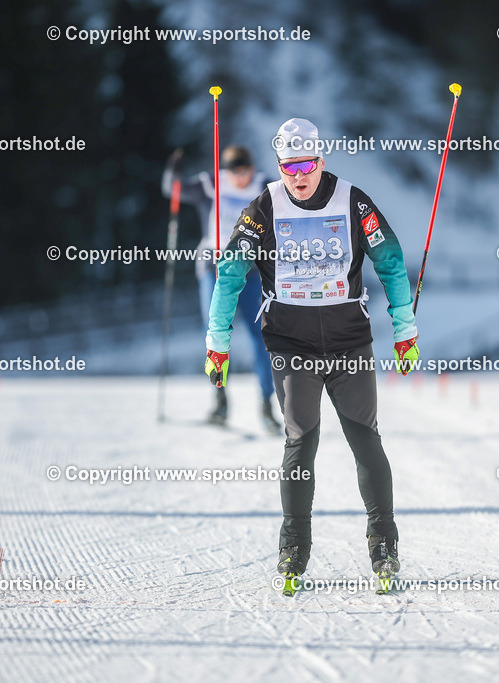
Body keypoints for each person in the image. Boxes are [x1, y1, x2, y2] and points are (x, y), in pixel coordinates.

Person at [203, 118, 420, 587]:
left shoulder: (353, 201)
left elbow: (391, 260)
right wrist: (217, 341)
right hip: (290, 343)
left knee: (365, 439)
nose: (298, 176)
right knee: (301, 442)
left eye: (305, 164)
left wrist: (405, 329)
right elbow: (230, 272)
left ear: (320, 161)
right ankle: (293, 549)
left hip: (348, 342)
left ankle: (384, 544)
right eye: (288, 166)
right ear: (278, 166)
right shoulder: (263, 208)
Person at [162, 146, 279, 432]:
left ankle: (266, 405)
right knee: (215, 331)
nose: (242, 177)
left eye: (246, 171)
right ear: (228, 170)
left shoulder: (264, 186)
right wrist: (173, 168)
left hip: (249, 270)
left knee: (260, 335)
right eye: (236, 171)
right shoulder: (211, 184)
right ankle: (220, 400)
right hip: (213, 268)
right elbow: (171, 189)